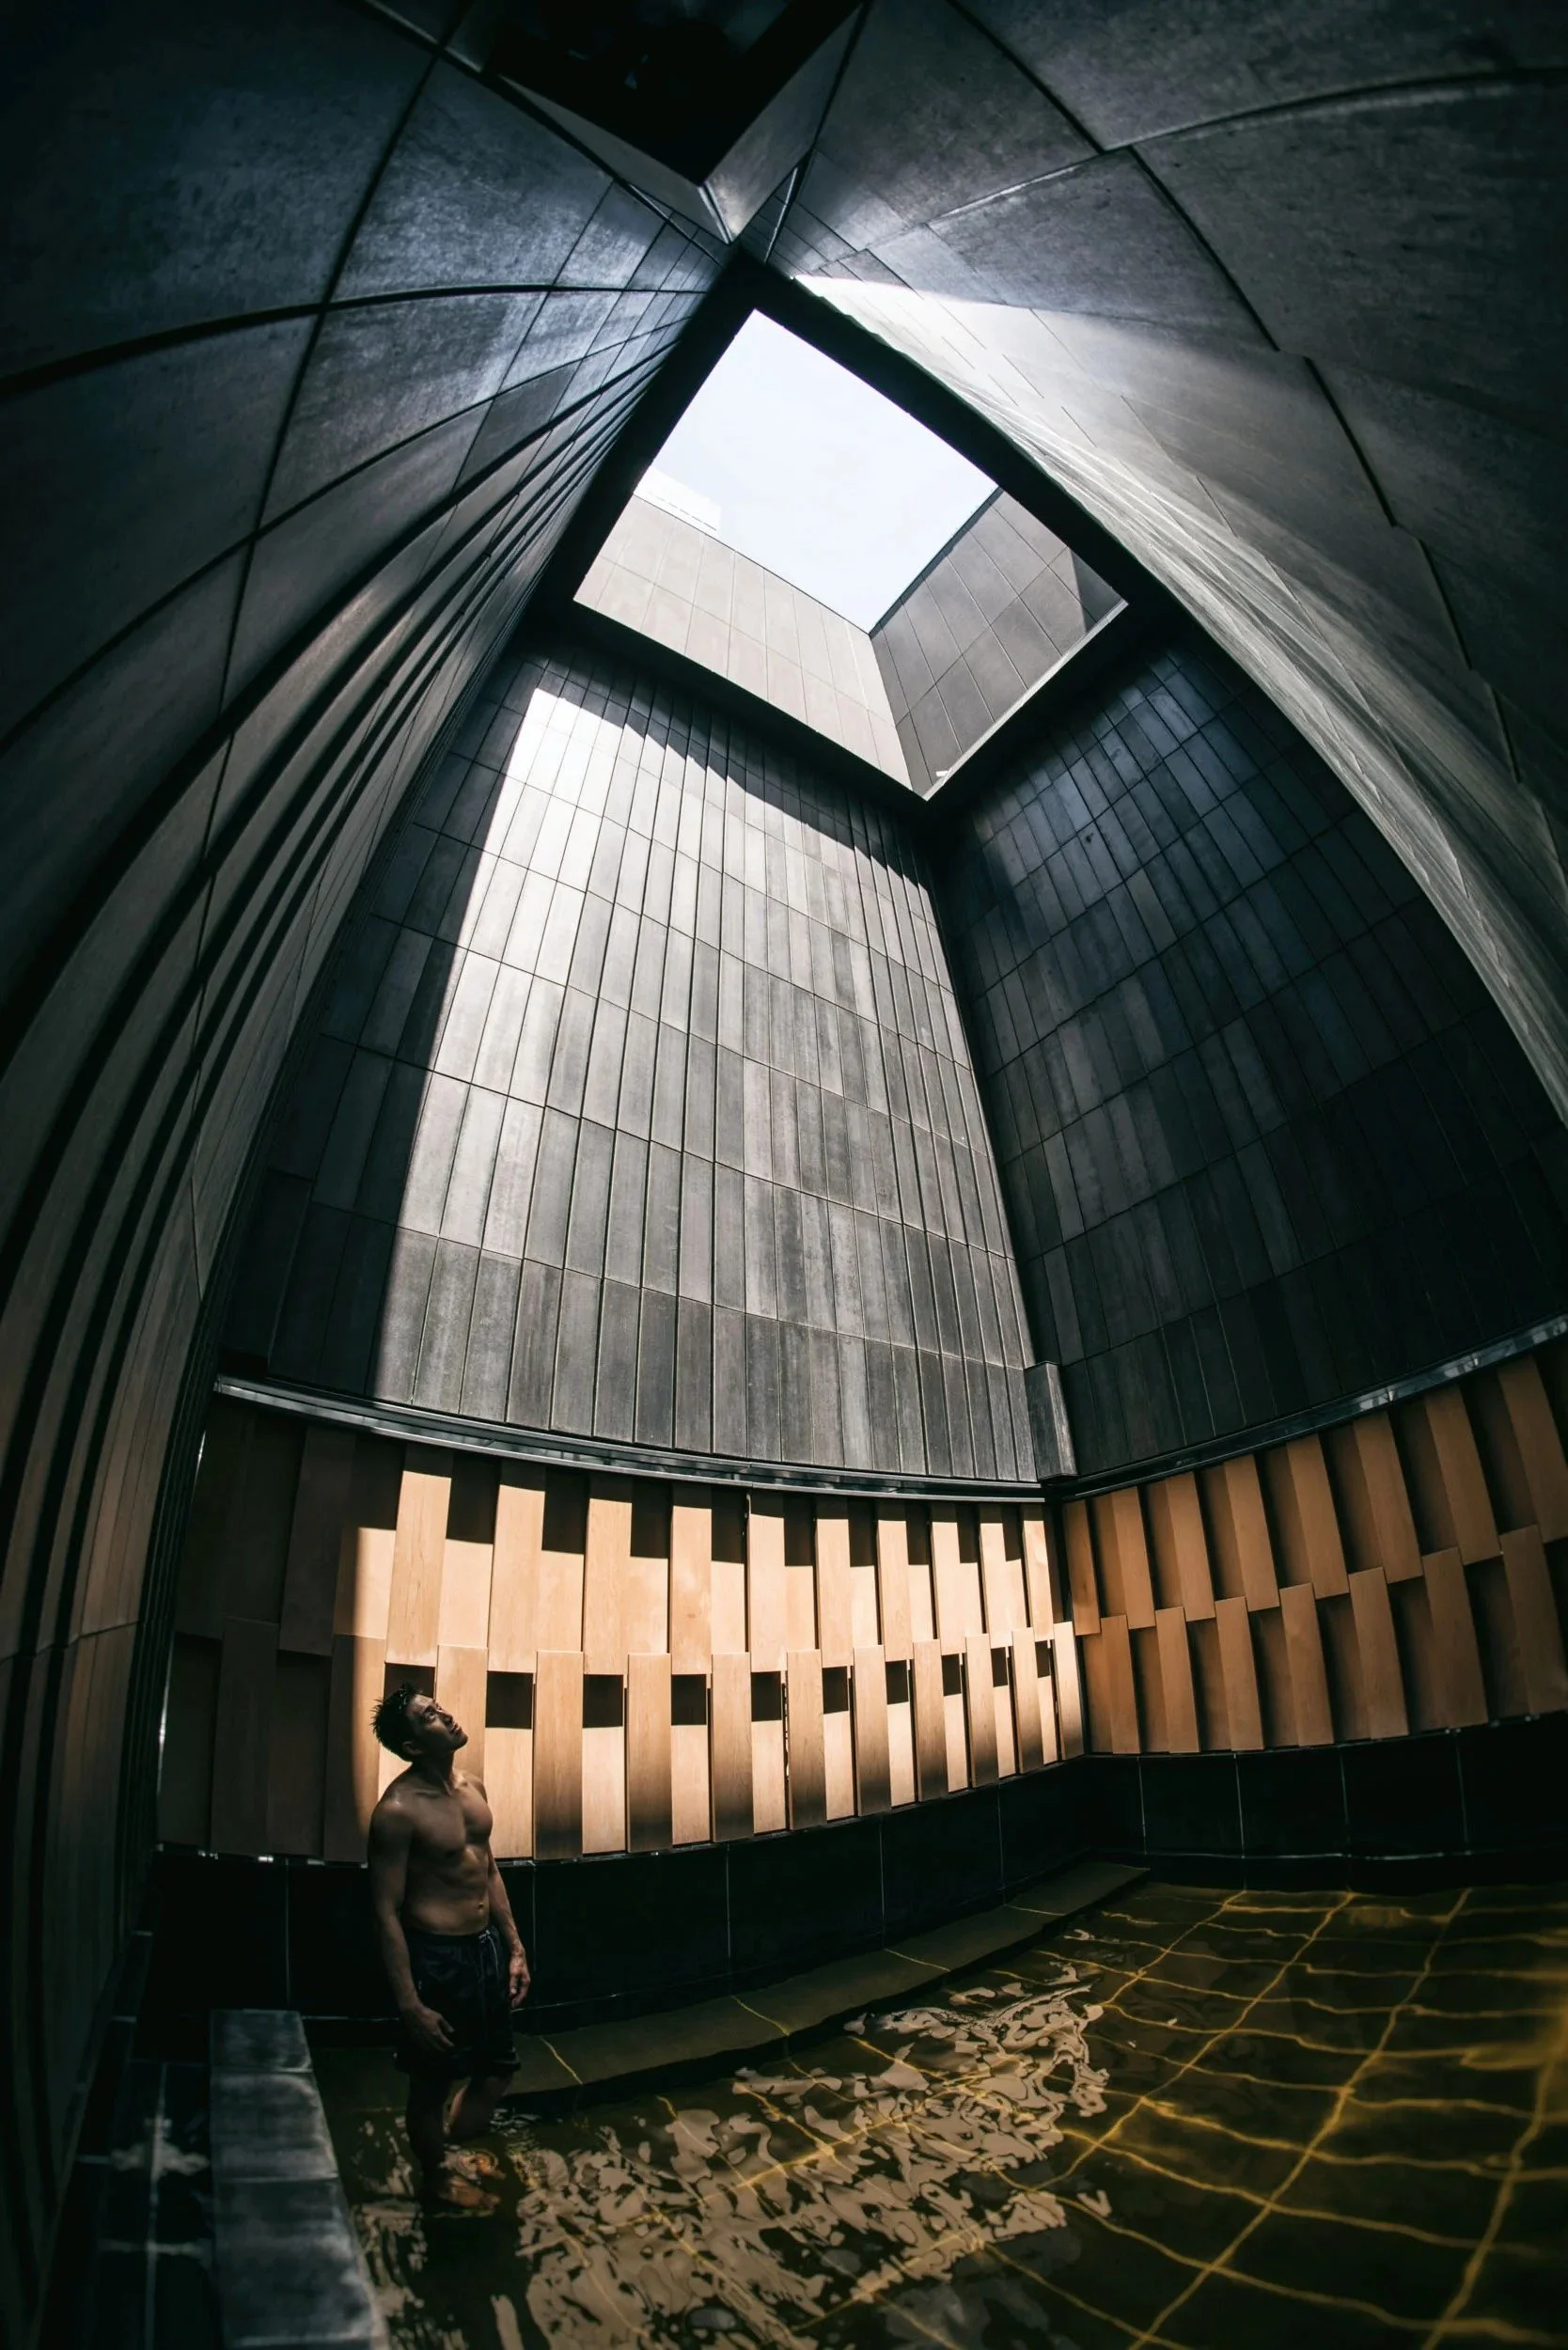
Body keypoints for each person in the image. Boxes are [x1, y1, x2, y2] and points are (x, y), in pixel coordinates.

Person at [367, 1684, 529, 2206]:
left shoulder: (472, 1786)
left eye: (438, 1707)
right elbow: (385, 1911)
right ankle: (436, 2179)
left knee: (498, 2069)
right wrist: (409, 2004)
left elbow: (489, 1868)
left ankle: (449, 2147)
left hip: (485, 1949)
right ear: (414, 1746)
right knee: (431, 2087)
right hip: (437, 1959)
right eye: (430, 1716)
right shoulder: (396, 1810)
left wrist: (515, 1946)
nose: (446, 1715)